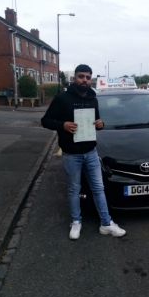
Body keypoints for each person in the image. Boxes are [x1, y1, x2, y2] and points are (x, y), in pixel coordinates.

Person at [41, 64, 126, 240]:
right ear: (74, 79)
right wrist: (62, 125)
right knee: (74, 189)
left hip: (91, 152)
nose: (85, 80)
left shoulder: (93, 99)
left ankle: (106, 223)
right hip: (71, 154)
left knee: (98, 188)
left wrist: (100, 124)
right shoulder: (62, 98)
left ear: (91, 79)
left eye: (88, 77)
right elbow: (46, 120)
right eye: (81, 77)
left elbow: (96, 122)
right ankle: (76, 221)